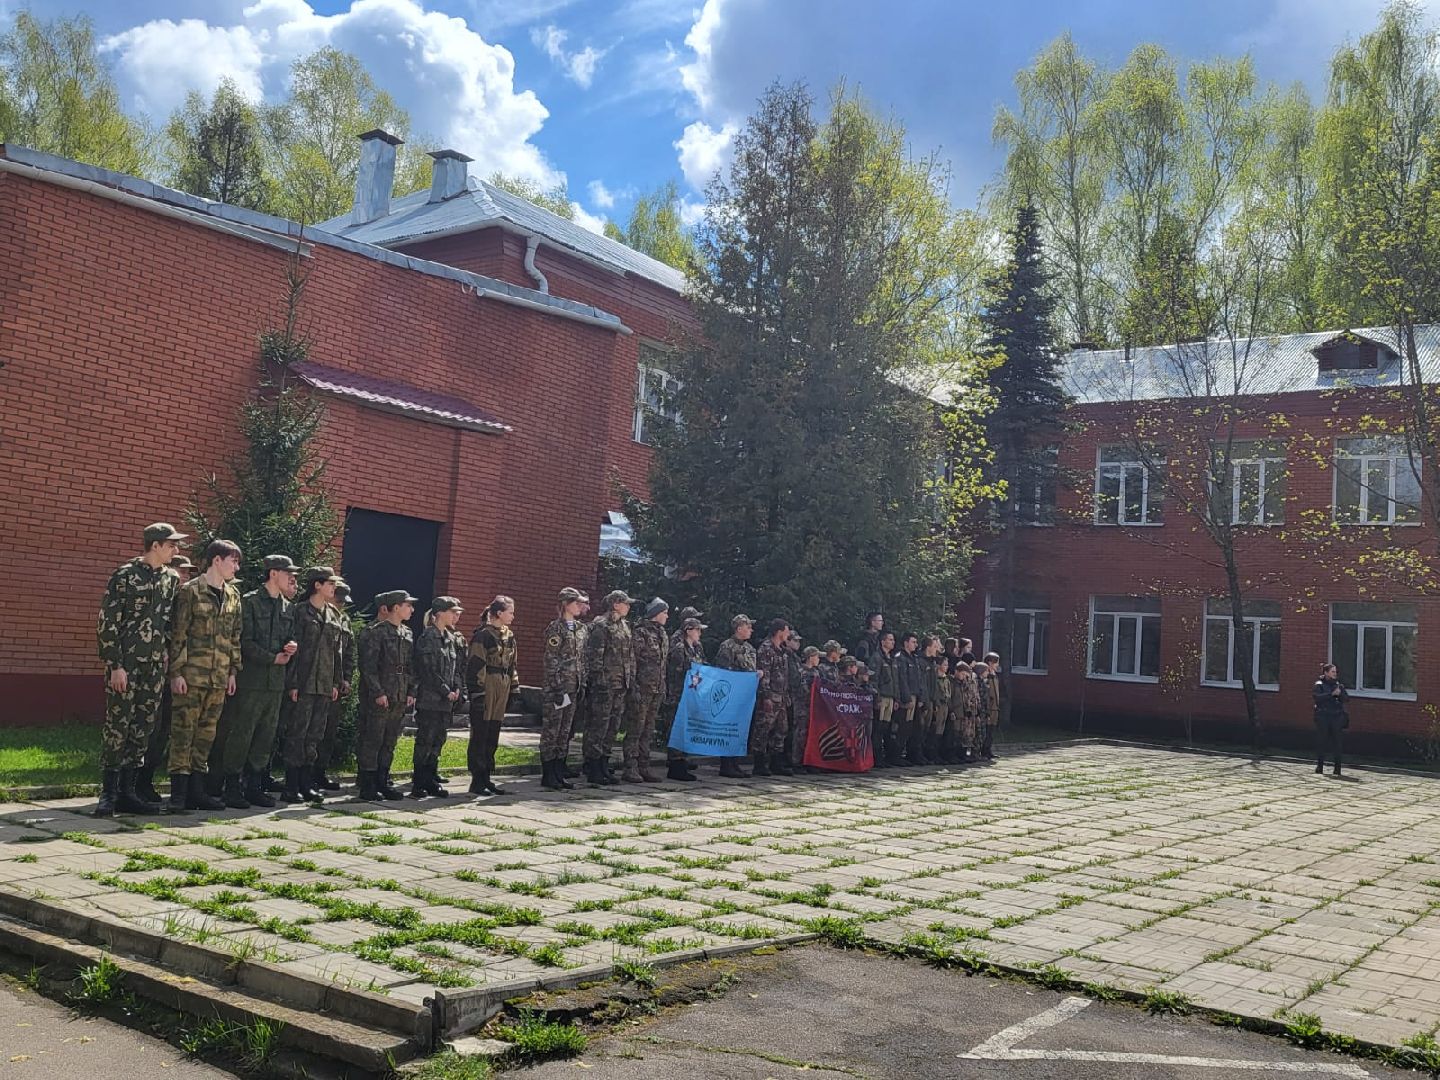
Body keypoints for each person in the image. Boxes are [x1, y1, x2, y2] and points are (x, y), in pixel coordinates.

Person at [95, 522, 186, 817]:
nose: (176, 549)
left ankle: (128, 792)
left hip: (154, 667)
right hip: (126, 665)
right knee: (118, 726)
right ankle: (107, 794)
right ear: (155, 545)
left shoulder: (171, 579)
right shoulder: (124, 576)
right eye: (171, 544)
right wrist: (115, 665)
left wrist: (169, 657)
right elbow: (108, 622)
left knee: (143, 727)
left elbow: (170, 623)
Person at [165, 539, 243, 814]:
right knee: (183, 734)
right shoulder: (191, 591)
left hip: (219, 678)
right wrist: (175, 672)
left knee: (206, 736)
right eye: (233, 561)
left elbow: (235, 637)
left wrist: (233, 670)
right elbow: (178, 634)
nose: (236, 566)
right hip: (192, 676)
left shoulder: (233, 596)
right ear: (216, 560)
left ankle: (197, 791)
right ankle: (178, 794)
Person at [217, 554, 297, 810]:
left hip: (275, 683)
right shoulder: (250, 602)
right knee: (242, 733)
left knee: (265, 735)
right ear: (273, 574)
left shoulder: (288, 607)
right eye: (287, 573)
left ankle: (254, 786)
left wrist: (291, 647)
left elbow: (290, 636)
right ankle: (231, 786)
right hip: (251, 680)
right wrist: (272, 658)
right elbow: (244, 641)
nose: (291, 578)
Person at [280, 566, 344, 802]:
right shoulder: (300, 612)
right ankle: (291, 786)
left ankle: (307, 784)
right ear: (317, 585)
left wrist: (336, 681)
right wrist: (293, 683)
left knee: (315, 735)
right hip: (304, 684)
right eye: (330, 583)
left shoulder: (333, 615)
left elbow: (336, 652)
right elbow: (293, 649)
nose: (333, 588)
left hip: (324, 685)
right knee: (298, 734)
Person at [136, 553, 195, 805]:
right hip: (154, 673)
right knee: (149, 727)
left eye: (188, 573)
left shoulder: (184, 601)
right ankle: (134, 782)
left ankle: (146, 780)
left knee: (163, 730)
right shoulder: (162, 600)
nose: (185, 577)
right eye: (182, 571)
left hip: (177, 674)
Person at [356, 590, 417, 801]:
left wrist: (411, 691)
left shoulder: (407, 633)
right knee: (373, 739)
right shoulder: (377, 632)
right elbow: (368, 667)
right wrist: (378, 692)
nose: (412, 609)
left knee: (390, 740)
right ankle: (367, 784)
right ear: (395, 607)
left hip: (399, 694)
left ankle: (383, 781)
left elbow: (410, 666)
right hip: (381, 694)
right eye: (407, 605)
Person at [413, 597, 466, 799]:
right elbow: (428, 670)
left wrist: (458, 689)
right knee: (425, 739)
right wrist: (446, 690)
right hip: (430, 699)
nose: (456, 616)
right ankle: (419, 782)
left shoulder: (450, 638)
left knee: (438, 740)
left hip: (446, 701)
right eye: (452, 612)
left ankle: (430, 779)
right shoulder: (428, 637)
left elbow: (456, 668)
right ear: (440, 613)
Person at [582, 591, 635, 785]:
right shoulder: (601, 625)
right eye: (625, 603)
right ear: (615, 604)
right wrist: (600, 681)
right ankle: (593, 765)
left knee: (613, 726)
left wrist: (630, 680)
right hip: (604, 686)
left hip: (620, 684)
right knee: (599, 725)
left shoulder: (624, 626)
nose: (628, 607)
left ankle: (604, 762)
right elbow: (595, 657)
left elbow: (629, 657)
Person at [539, 587, 587, 791]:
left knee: (565, 731)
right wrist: (558, 687)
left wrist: (581, 683)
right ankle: (548, 773)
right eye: (576, 602)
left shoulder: (580, 628)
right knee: (553, 730)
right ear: (566, 604)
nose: (580, 606)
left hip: (574, 687)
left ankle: (559, 770)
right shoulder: (555, 628)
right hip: (558, 689)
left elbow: (581, 658)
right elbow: (551, 660)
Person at [469, 596, 518, 796]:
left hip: (503, 684)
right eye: (510, 612)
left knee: (493, 733)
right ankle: (477, 779)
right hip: (488, 682)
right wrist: (477, 692)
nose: (513, 616)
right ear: (499, 613)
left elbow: (513, 663)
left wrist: (514, 688)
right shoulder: (483, 635)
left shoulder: (509, 635)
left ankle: (487, 776)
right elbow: (476, 663)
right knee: (481, 732)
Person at [313, 578, 357, 792]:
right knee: (312, 732)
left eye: (343, 602)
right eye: (338, 600)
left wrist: (346, 678)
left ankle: (320, 772)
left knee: (329, 732)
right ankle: (306, 774)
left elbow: (349, 653)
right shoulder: (319, 615)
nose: (341, 605)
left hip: (336, 685)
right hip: (317, 682)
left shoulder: (344, 620)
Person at [624, 598, 670, 783]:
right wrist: (633, 686)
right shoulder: (641, 633)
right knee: (636, 728)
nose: (667, 616)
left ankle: (644, 766)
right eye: (665, 612)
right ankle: (630, 767)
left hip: (656, 689)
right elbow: (632, 661)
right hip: (642, 689)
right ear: (656, 613)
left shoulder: (662, 634)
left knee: (648, 730)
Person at [662, 616, 706, 781]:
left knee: (686, 728)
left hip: (691, 696)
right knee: (676, 728)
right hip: (678, 694)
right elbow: (677, 672)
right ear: (688, 630)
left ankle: (682, 761)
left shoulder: (695, 648)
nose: (700, 633)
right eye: (697, 629)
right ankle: (675, 765)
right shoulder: (680, 648)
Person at [713, 614, 757, 779]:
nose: (751, 630)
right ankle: (726, 764)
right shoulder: (727, 646)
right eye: (748, 627)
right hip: (731, 696)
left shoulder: (750, 649)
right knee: (728, 729)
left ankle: (735, 762)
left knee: (741, 730)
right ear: (739, 628)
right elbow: (722, 672)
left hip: (745, 698)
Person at [753, 618, 793, 777]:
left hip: (781, 696)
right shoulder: (766, 649)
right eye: (786, 630)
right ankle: (759, 763)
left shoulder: (782, 650)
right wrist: (766, 696)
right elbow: (765, 674)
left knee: (781, 729)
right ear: (779, 631)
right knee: (763, 729)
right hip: (770, 696)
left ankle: (776, 762)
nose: (788, 634)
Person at [1313, 663, 1349, 777]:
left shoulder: (1338, 685)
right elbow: (1317, 698)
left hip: (1336, 717)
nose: (1335, 674)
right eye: (1332, 671)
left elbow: (1346, 699)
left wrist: (1340, 694)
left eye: (1335, 672)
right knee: (1321, 741)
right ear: (1326, 672)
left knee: (1338, 742)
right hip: (1323, 716)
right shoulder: (1319, 684)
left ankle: (1337, 768)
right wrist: (1331, 694)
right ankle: (1320, 766)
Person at [870, 632, 898, 770]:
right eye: (890, 639)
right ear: (882, 642)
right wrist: (877, 697)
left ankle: (885, 757)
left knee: (886, 728)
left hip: (891, 697)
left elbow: (895, 680)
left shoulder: (891, 658)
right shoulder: (877, 657)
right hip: (882, 697)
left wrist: (896, 697)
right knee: (878, 729)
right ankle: (876, 757)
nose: (893, 642)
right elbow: (874, 679)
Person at [791, 645, 822, 771]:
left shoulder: (816, 672)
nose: (819, 659)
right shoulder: (801, 671)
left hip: (813, 708)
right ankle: (796, 761)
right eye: (817, 656)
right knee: (800, 733)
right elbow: (799, 690)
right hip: (802, 706)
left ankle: (808, 761)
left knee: (810, 734)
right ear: (811, 657)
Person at [894, 633, 921, 767]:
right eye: (913, 642)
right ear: (905, 643)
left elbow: (918, 679)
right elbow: (902, 679)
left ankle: (907, 754)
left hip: (915, 695)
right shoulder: (901, 658)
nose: (915, 645)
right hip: (907, 696)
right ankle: (896, 755)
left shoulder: (914, 658)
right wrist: (906, 697)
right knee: (902, 726)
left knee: (910, 727)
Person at [954, 660, 981, 763]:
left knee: (971, 733)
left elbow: (975, 693)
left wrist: (977, 706)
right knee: (963, 732)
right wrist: (967, 708)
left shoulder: (973, 677)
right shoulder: (964, 681)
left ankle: (966, 753)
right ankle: (960, 753)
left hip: (973, 709)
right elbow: (964, 694)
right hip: (965, 709)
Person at [979, 652, 1002, 761]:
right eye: (996, 662)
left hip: (995, 708)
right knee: (986, 730)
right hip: (988, 708)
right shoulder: (986, 675)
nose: (997, 665)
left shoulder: (995, 676)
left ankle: (989, 750)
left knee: (992, 730)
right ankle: (983, 751)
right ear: (990, 663)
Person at [933, 655, 953, 764]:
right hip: (938, 705)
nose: (947, 667)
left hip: (945, 706)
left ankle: (939, 753)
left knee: (941, 730)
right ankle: (933, 753)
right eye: (944, 665)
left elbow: (948, 694)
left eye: (947, 665)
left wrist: (950, 709)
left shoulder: (946, 679)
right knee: (935, 729)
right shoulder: (935, 678)